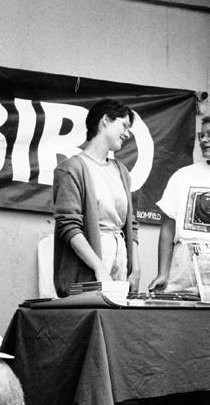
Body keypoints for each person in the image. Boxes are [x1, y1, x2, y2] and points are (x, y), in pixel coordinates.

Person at [52, 98, 141, 297]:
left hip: (120, 264)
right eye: (124, 125)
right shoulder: (71, 169)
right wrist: (99, 267)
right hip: (87, 269)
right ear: (106, 120)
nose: (127, 133)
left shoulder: (122, 171)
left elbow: (132, 225)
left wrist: (135, 268)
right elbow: (69, 226)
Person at [148, 116, 210, 295]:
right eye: (201, 135)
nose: (204, 140)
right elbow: (168, 228)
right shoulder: (183, 176)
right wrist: (163, 273)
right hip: (185, 268)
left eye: (209, 134)